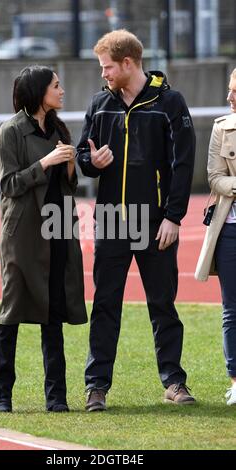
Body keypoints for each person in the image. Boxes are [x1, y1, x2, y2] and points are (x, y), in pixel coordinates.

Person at [77, 29, 196, 411]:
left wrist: (174, 217)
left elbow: (183, 165)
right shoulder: (99, 104)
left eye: (107, 67)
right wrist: (89, 163)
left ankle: (174, 382)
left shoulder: (170, 103)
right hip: (111, 221)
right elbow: (83, 154)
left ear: (128, 63)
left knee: (163, 304)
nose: (104, 74)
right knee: (105, 304)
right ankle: (96, 386)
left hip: (156, 221)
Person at [0, 65, 87, 413]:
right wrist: (45, 162)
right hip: (22, 235)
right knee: (11, 312)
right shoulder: (10, 131)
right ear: (39, 91)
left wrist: (71, 167)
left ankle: (56, 397)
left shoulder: (59, 129)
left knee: (54, 311)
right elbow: (9, 185)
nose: (62, 91)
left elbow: (67, 186)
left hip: (58, 228)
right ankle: (1, 394)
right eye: (56, 86)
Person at [195, 69, 236, 405]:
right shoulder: (222, 128)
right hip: (230, 229)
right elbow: (214, 177)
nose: (229, 97)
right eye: (228, 89)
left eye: (234, 91)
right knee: (232, 309)